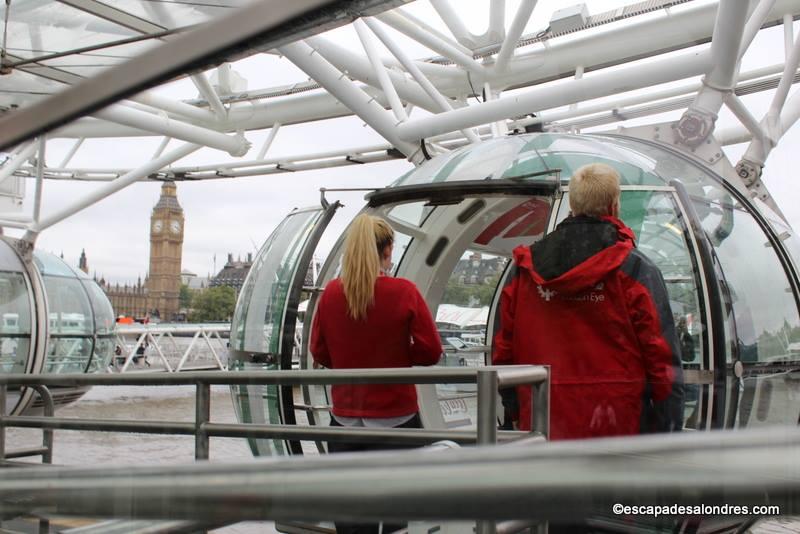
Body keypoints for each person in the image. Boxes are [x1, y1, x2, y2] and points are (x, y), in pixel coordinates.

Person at [492, 162, 684, 440]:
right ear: (614, 205)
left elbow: (503, 349)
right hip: (618, 426)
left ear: (572, 204)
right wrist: (668, 424)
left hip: (541, 425)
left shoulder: (523, 270)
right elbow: (661, 354)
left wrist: (514, 408)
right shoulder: (635, 269)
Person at [310, 213, 442, 534]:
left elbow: (318, 351)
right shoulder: (404, 291)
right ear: (386, 251)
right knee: (396, 515)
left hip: (344, 423)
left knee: (351, 517)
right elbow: (431, 351)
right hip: (396, 420)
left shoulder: (330, 293)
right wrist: (399, 357)